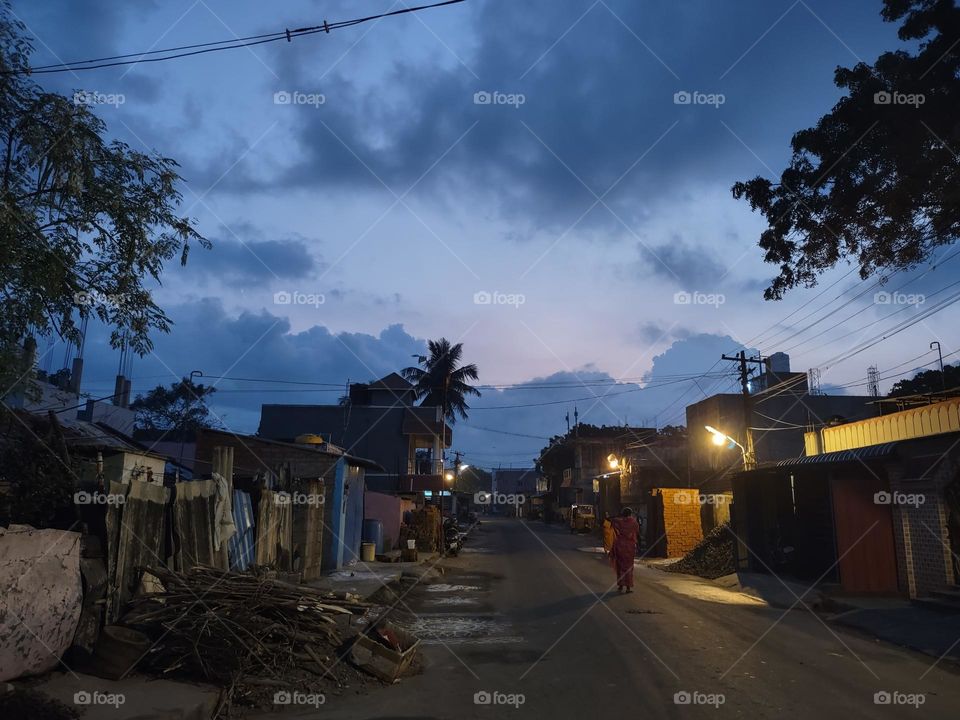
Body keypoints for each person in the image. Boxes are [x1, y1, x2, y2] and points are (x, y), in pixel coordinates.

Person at [611, 507, 640, 593]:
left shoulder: (619, 522)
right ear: (631, 514)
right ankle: (628, 587)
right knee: (628, 567)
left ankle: (620, 586)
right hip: (630, 547)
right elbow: (637, 532)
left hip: (620, 546)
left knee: (620, 566)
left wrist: (618, 517)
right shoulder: (634, 523)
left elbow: (612, 521)